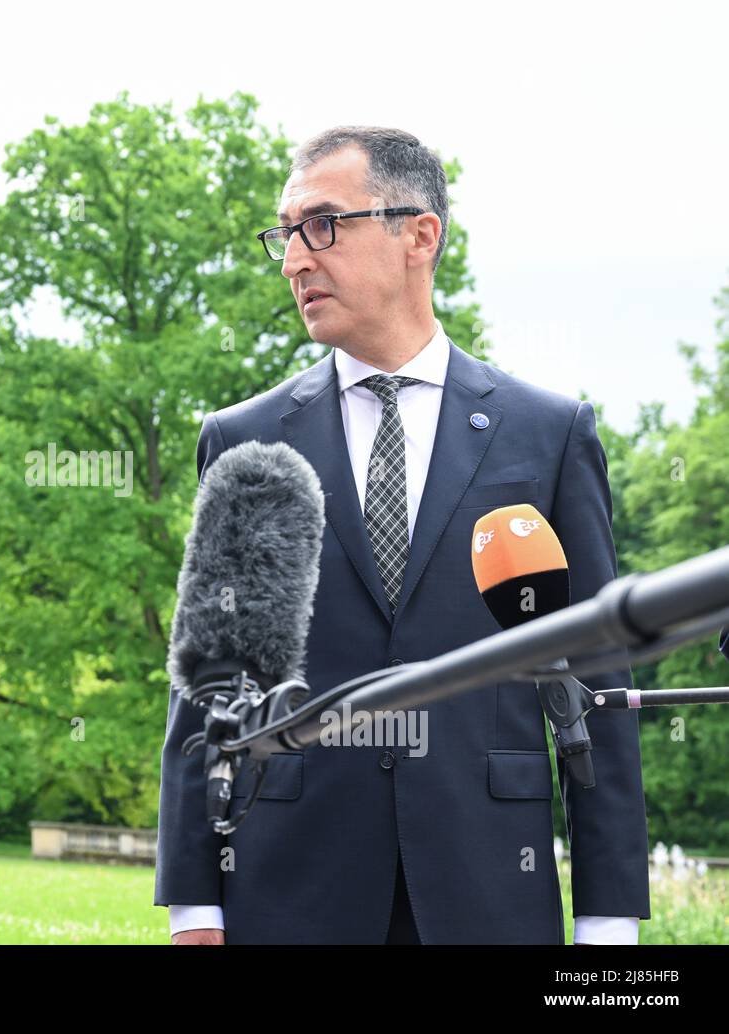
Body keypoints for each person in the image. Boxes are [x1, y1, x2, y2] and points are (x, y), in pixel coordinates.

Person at [155, 126, 649, 944]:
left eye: (321, 225)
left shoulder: (547, 433)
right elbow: (207, 684)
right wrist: (194, 905)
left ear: (419, 235)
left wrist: (606, 917)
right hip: (289, 892)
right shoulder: (244, 441)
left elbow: (598, 677)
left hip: (488, 889)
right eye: (284, 235)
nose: (293, 260)